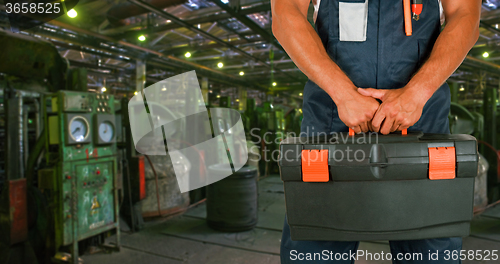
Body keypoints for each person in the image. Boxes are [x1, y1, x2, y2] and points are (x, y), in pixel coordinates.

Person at [271, 0, 481, 263]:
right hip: (331, 120)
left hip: (422, 121)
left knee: (430, 247)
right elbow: (285, 13)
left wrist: (417, 93)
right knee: (315, 245)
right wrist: (343, 94)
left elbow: (465, 14)